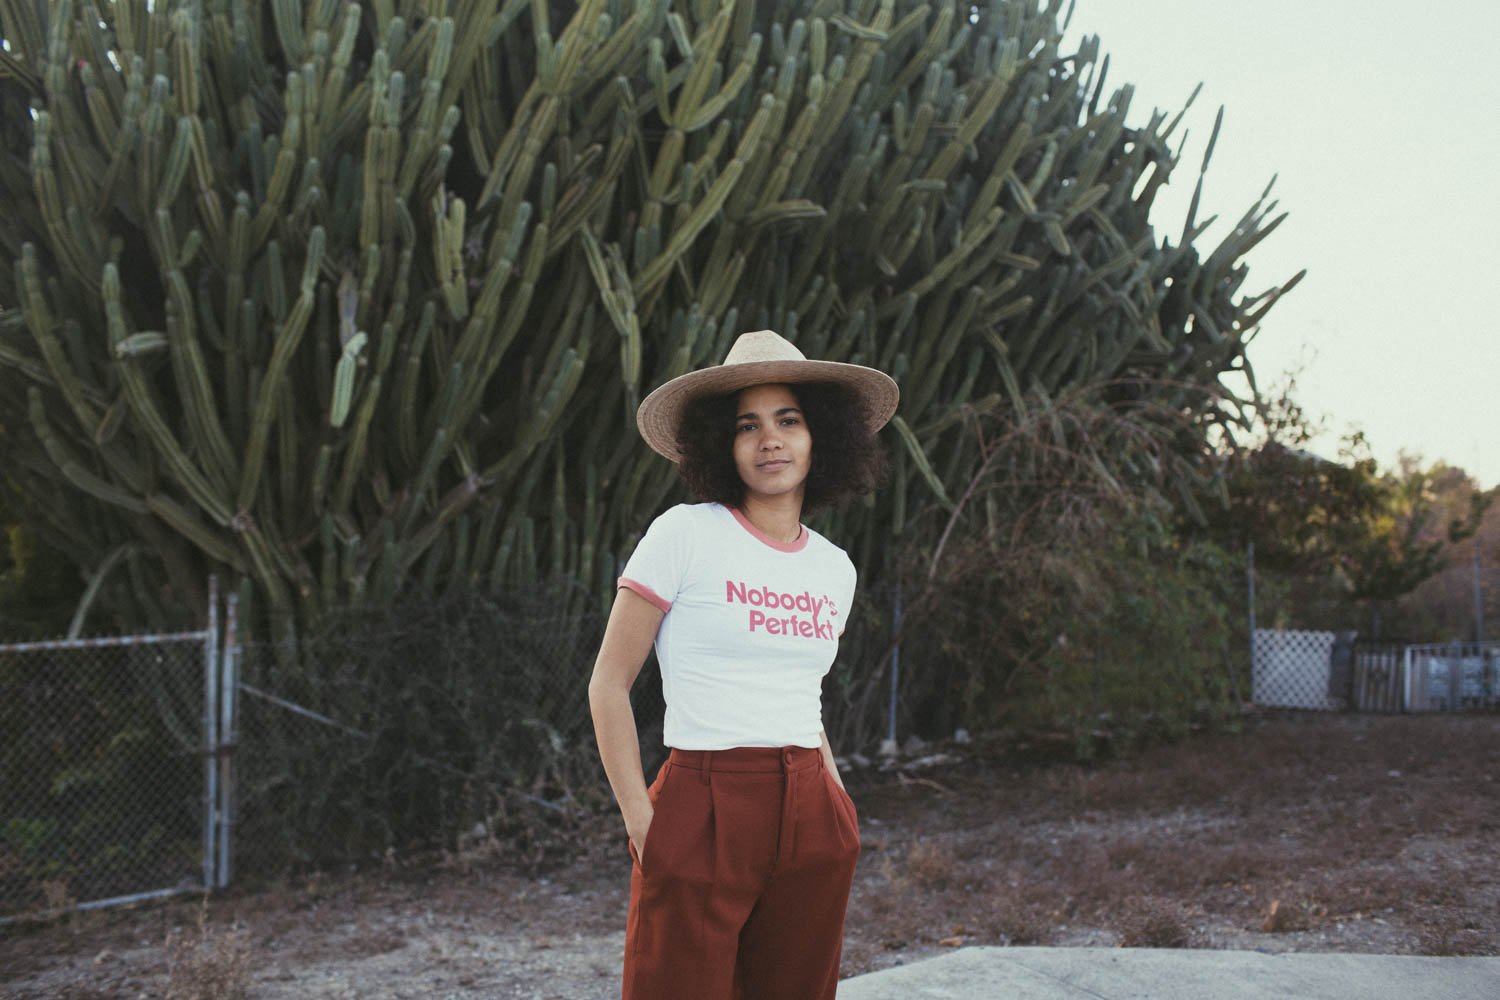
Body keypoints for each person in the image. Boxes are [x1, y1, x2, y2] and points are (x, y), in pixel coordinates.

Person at [588, 329, 899, 1000]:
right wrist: (644, 823)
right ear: (721, 446)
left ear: (822, 437)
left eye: (789, 420)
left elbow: (802, 695)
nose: (770, 440)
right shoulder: (685, 534)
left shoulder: (833, 568)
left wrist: (838, 807)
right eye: (747, 425)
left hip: (812, 808)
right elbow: (608, 685)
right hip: (702, 802)